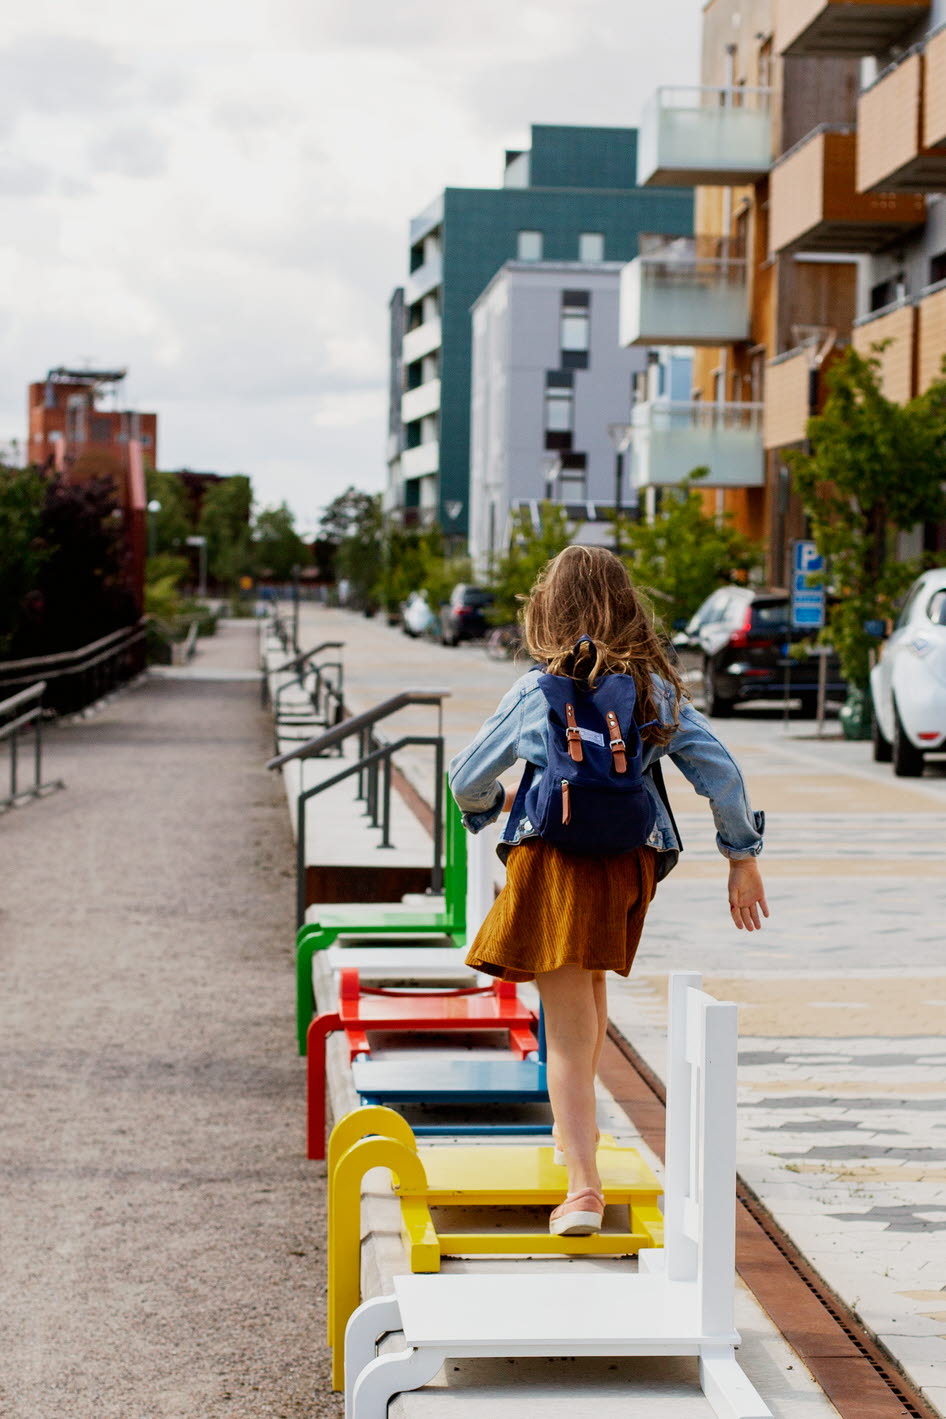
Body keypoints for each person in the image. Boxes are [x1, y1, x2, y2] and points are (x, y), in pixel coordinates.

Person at [448, 546, 768, 1238]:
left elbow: (465, 776)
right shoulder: (652, 690)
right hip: (628, 865)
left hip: (556, 863)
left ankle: (582, 1187)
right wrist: (741, 856)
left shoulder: (537, 690)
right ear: (629, 606)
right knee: (588, 995)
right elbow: (721, 771)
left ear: (549, 609)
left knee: (563, 1024)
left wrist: (491, 803)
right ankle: (575, 1140)